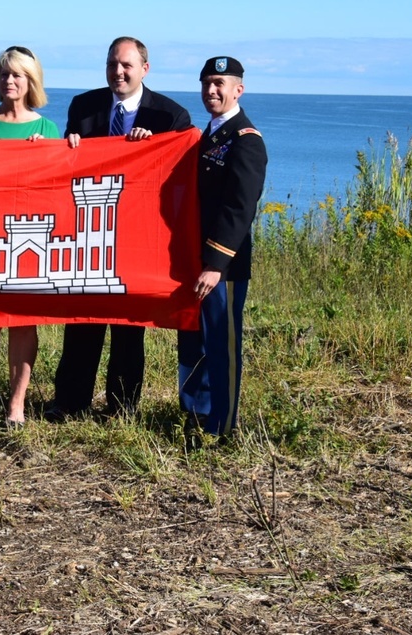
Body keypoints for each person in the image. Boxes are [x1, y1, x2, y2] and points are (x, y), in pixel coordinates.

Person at [47, 37, 191, 423]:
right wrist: (70, 147)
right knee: (82, 320)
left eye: (126, 65)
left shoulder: (170, 117)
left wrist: (154, 148)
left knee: (130, 328)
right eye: (112, 64)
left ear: (145, 68)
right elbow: (70, 169)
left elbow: (179, 176)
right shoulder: (84, 106)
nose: (118, 72)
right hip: (90, 229)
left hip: (140, 237)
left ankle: (121, 408)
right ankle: (70, 402)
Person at [0, 46, 60, 430]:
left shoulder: (46, 129)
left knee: (23, 322)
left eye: (18, 74)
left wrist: (49, 156)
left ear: (31, 81)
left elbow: (57, 189)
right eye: (4, 74)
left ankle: (16, 403)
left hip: (32, 233)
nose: (10, 81)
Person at [178, 56, 267, 447]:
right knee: (194, 340)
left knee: (222, 343)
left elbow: (239, 208)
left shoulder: (246, 140)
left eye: (219, 83)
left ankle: (223, 424)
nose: (211, 91)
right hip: (193, 260)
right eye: (206, 84)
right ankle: (197, 412)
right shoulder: (207, 136)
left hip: (222, 267)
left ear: (238, 90)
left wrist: (216, 264)